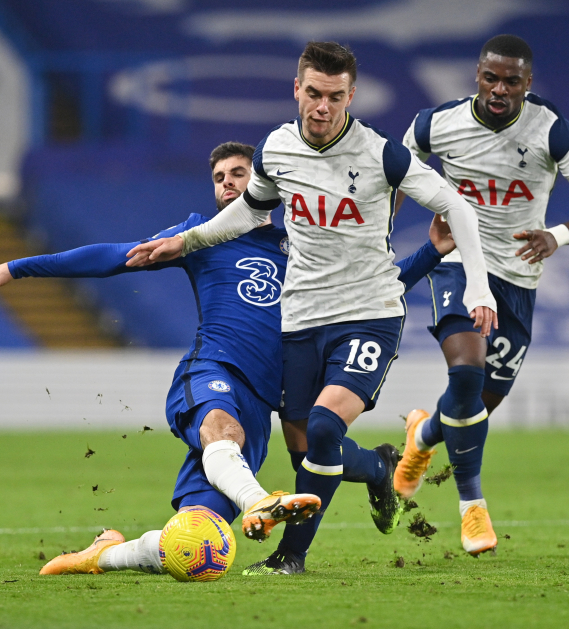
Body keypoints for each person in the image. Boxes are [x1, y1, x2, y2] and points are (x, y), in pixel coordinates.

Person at [0, 141, 455, 576]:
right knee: (224, 429)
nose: (226, 185)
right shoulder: (200, 234)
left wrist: (432, 251)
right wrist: (18, 266)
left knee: (197, 542)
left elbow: (371, 290)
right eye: (219, 178)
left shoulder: (306, 245)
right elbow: (117, 256)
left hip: (268, 396)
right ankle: (258, 500)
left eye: (237, 174)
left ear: (264, 180)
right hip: (213, 370)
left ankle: (106, 554)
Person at [126, 41, 497, 575]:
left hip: (369, 314)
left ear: (352, 95)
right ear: (297, 90)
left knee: (324, 426)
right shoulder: (275, 149)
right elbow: (247, 214)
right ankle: (377, 467)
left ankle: (289, 558)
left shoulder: (381, 153)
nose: (323, 107)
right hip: (301, 319)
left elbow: (455, 205)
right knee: (304, 453)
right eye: (315, 94)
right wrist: (188, 242)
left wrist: (479, 289)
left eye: (336, 97)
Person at [393, 34, 569, 557]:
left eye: (511, 81)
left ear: (528, 83)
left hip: (518, 278)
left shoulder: (551, 130)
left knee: (476, 406)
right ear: (477, 75)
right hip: (456, 260)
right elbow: (392, 178)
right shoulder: (434, 124)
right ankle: (473, 508)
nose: (499, 89)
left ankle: (422, 436)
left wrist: (556, 235)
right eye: (490, 78)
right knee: (466, 372)